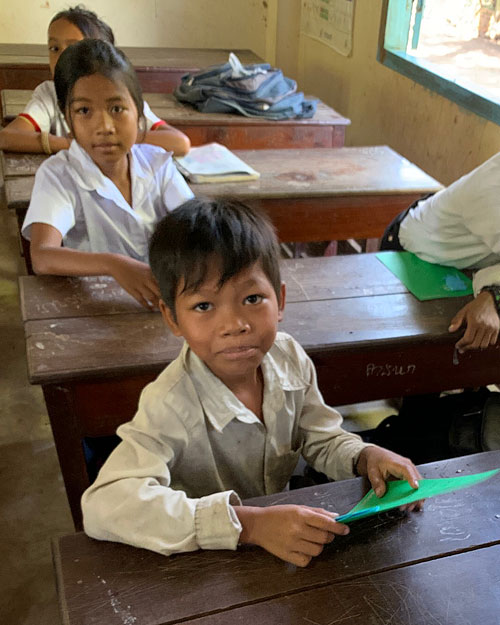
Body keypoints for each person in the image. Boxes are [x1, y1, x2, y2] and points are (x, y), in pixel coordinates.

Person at [82, 198, 423, 568]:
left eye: (252, 298)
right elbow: (105, 505)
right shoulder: (169, 401)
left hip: (283, 544)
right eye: (203, 306)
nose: (234, 324)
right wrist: (248, 525)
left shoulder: (288, 357)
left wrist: (364, 457)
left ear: (280, 300)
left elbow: (320, 438)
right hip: (205, 563)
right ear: (172, 318)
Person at [21, 39, 194, 309]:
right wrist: (113, 264)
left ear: (139, 113)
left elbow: (196, 227)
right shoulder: (59, 175)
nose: (104, 127)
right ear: (68, 121)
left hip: (161, 303)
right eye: (84, 111)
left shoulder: (158, 164)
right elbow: (42, 256)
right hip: (96, 310)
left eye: (116, 109)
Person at [0, 5, 190, 156]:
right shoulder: (50, 93)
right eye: (54, 48)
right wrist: (73, 145)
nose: (61, 57)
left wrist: (120, 139)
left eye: (74, 48)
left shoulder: (123, 97)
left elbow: (179, 142)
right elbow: (8, 137)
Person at [381, 153, 500, 353]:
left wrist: (491, 295)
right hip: (419, 255)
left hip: (476, 260)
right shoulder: (493, 190)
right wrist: (493, 295)